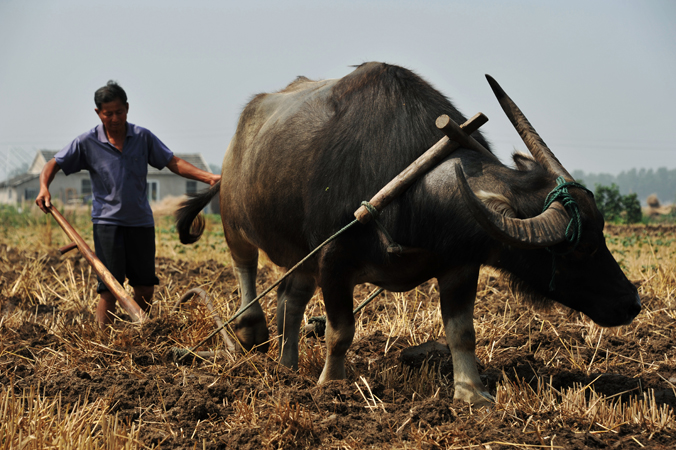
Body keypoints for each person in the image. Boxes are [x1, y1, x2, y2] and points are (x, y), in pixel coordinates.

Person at [36, 80, 221, 325]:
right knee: (109, 289)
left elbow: (172, 162)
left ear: (127, 108)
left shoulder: (142, 137)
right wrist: (43, 187)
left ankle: (141, 333)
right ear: (98, 113)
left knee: (145, 287)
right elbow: (53, 164)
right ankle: (102, 339)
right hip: (107, 224)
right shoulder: (87, 142)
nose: (114, 118)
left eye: (119, 112)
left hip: (141, 222)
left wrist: (208, 177)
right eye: (108, 113)